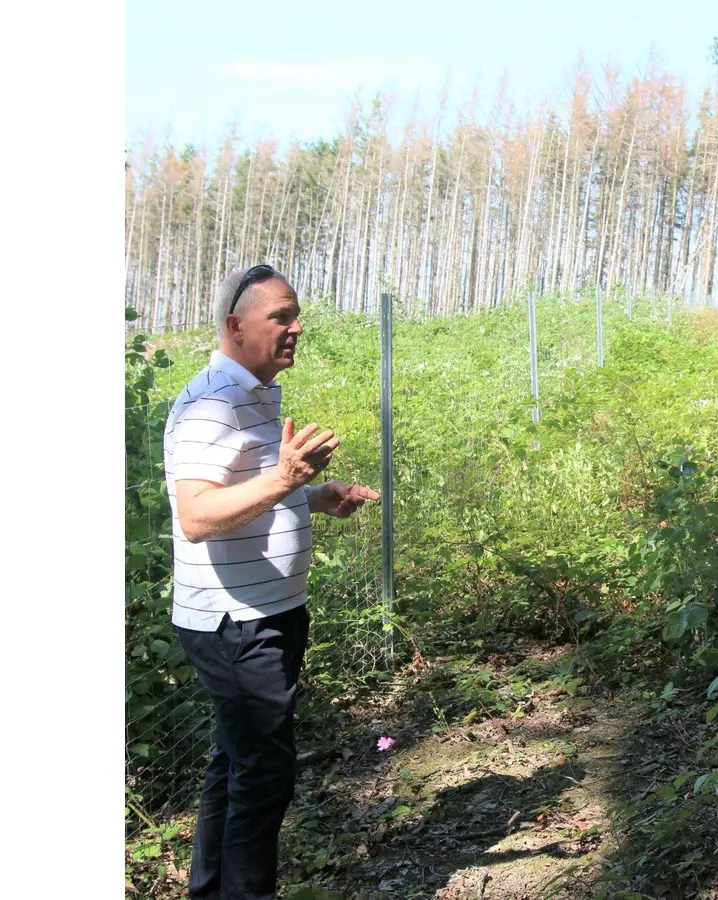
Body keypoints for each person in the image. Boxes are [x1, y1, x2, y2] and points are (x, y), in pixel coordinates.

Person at [164, 264, 380, 899]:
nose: (296, 327)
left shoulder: (257, 393)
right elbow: (199, 515)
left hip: (266, 611)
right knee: (262, 776)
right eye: (281, 316)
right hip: (235, 623)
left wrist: (311, 496)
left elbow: (245, 492)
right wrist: (285, 481)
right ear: (236, 325)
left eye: (295, 315)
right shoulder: (212, 402)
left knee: (235, 766)